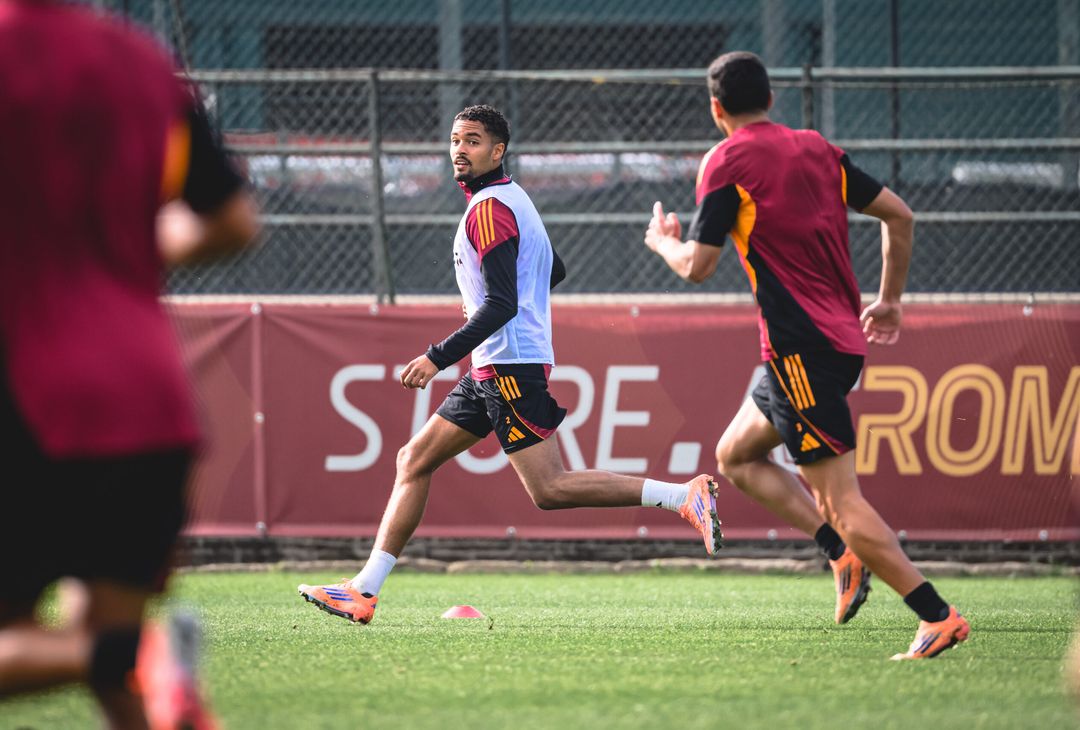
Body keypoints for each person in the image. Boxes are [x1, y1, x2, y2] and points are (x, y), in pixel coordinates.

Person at [298, 104, 722, 624]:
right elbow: (552, 271)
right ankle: (363, 590)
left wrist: (436, 357)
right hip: (494, 367)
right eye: (455, 140)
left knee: (549, 490)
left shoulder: (489, 208)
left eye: (473, 141)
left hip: (508, 369)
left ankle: (683, 495)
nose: (460, 149)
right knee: (413, 460)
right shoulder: (511, 200)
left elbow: (502, 305)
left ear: (497, 151)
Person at [642, 51, 969, 660]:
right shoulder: (816, 147)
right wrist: (890, 301)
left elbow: (698, 266)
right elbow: (899, 214)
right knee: (736, 455)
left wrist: (665, 243)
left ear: (716, 108)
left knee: (841, 500)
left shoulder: (725, 160)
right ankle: (840, 552)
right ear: (770, 98)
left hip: (800, 352)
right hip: (836, 344)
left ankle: (937, 615)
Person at [0, 1, 258, 727]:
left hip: (24, 390)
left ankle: (136, 654)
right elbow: (233, 221)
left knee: (68, 645)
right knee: (104, 632)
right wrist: (112, 259)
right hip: (145, 396)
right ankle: (141, 661)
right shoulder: (141, 62)